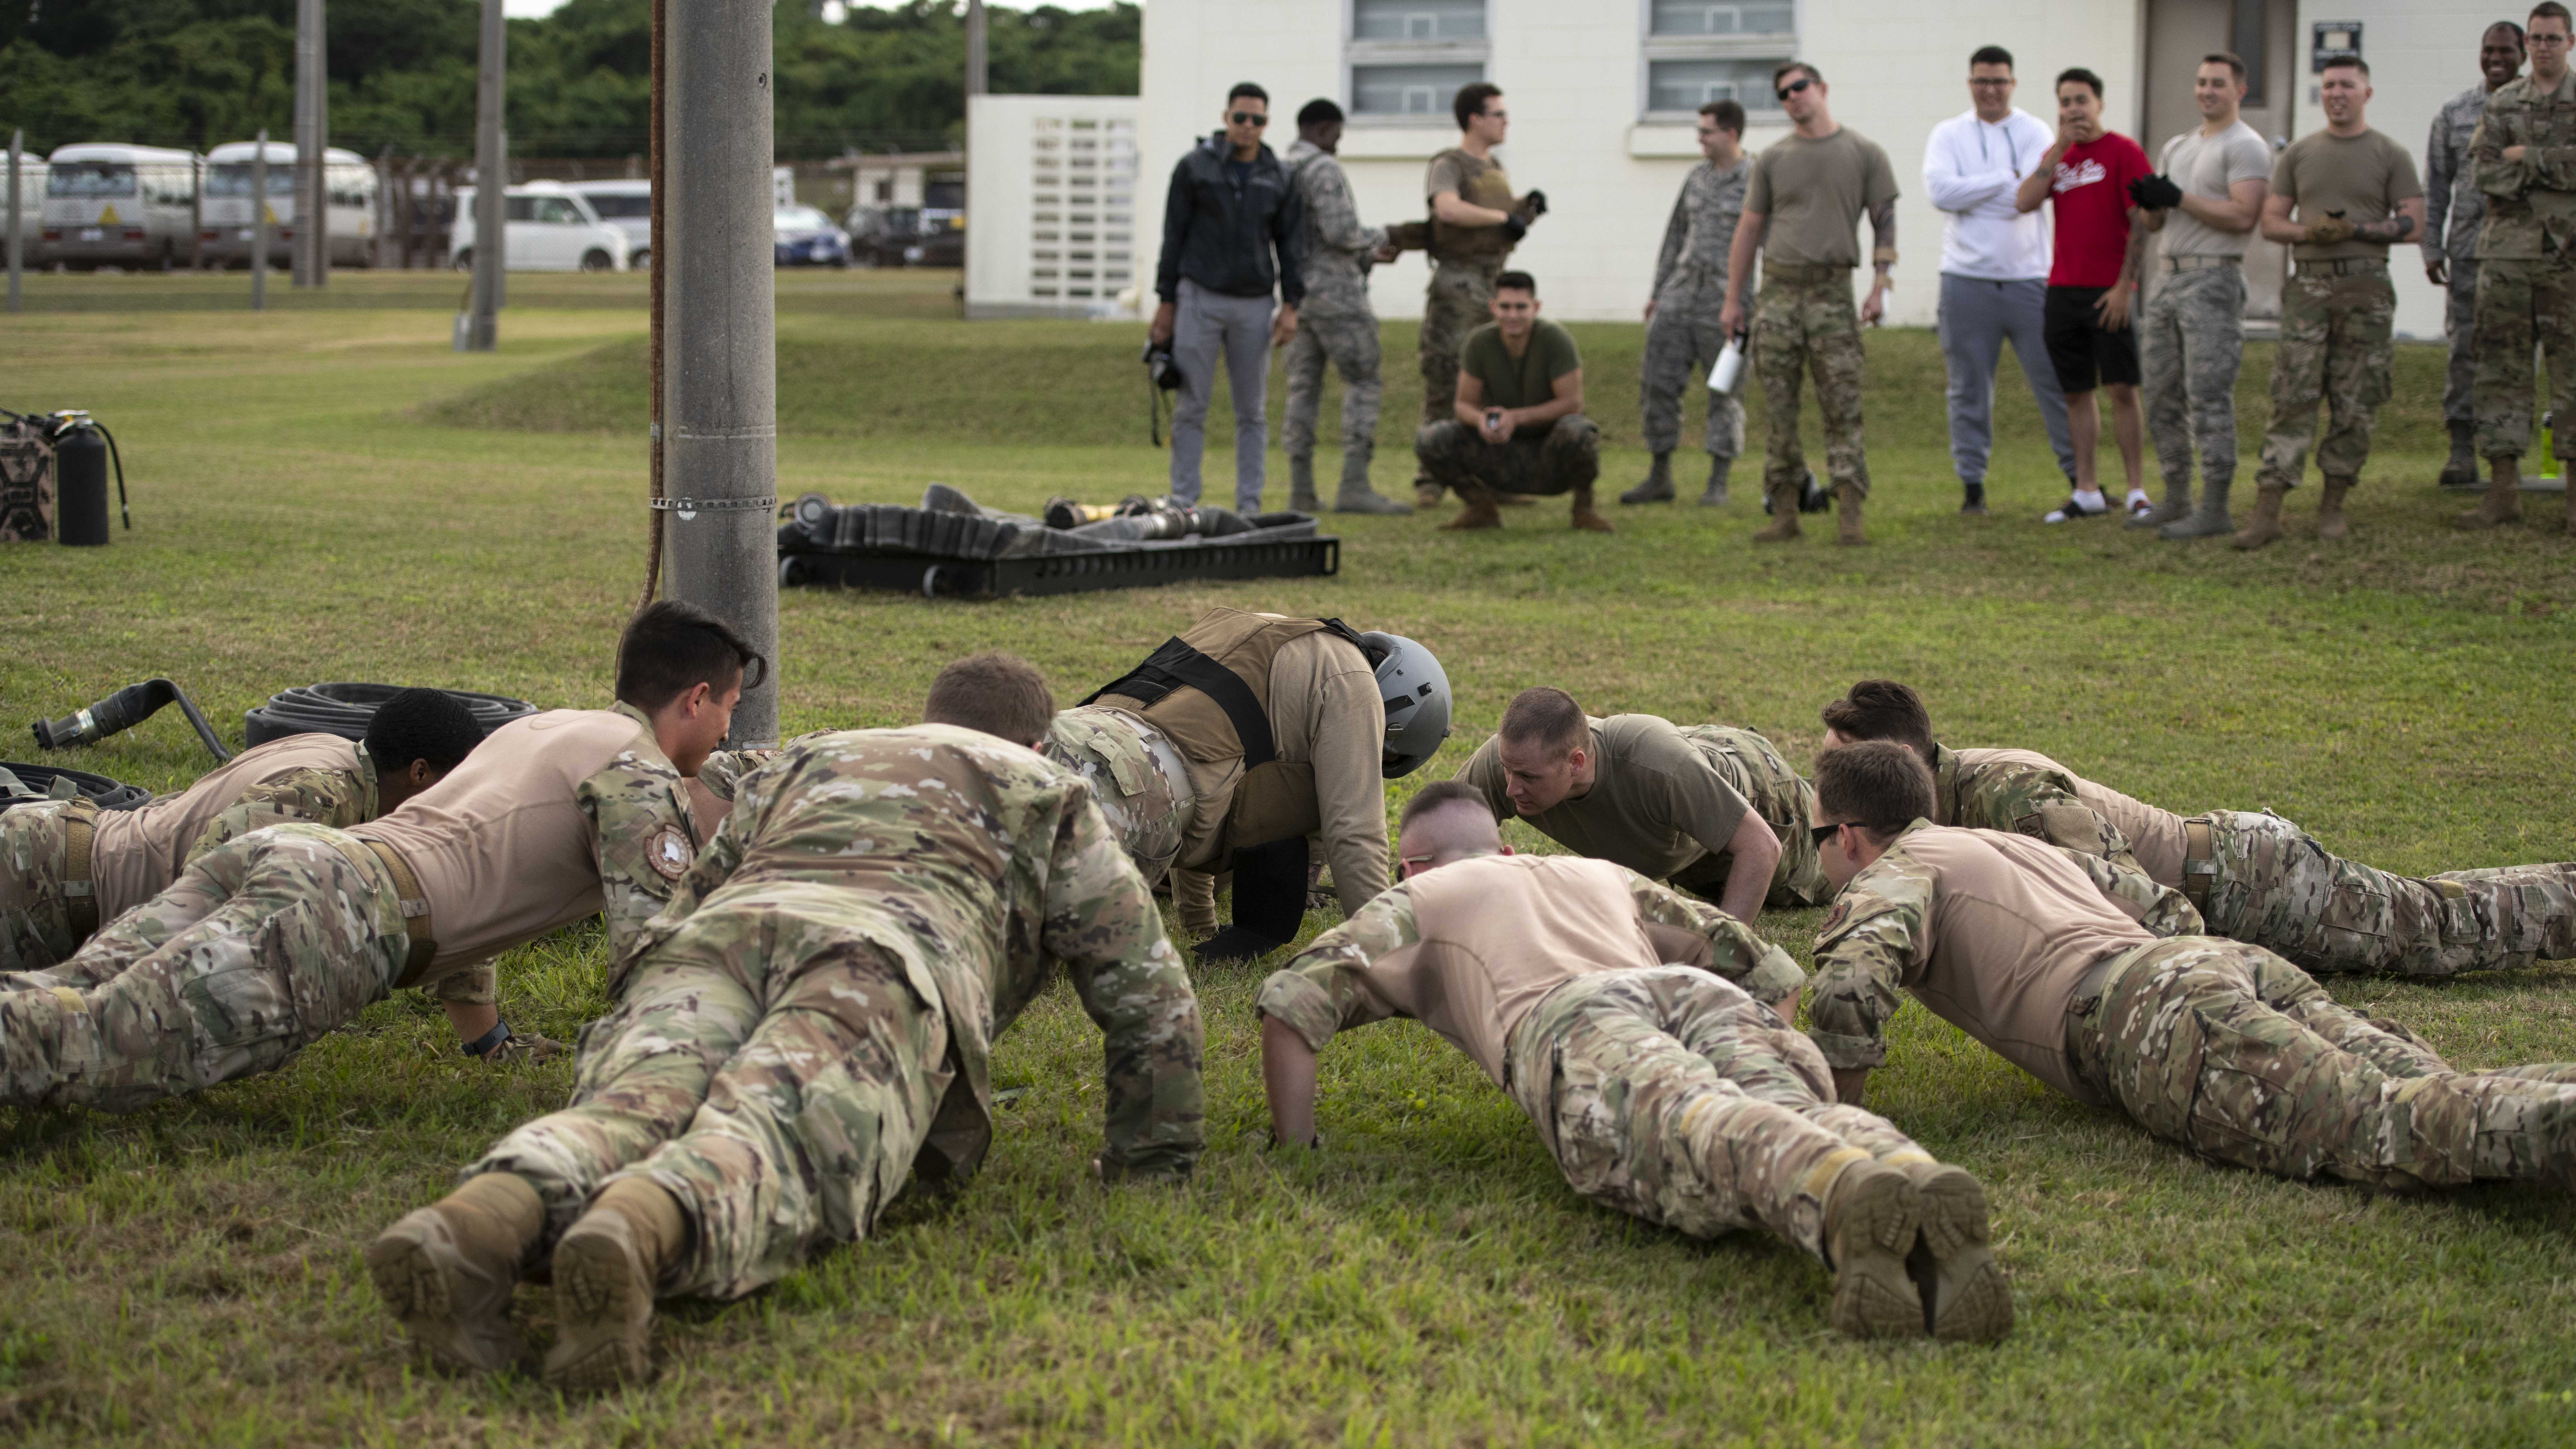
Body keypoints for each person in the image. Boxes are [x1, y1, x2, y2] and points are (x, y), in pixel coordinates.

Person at [368, 654, 1205, 1388]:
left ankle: (487, 1214)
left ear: (927, 720)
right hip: (879, 953)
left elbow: (696, 887)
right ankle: (644, 1222)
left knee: (634, 1102)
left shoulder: (809, 756)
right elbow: (1147, 990)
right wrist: (1150, 1162)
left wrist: (647, 994)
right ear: (1035, 743)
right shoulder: (1047, 787)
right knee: (781, 1131)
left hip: (717, 939)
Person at [1256, 781, 2011, 1342]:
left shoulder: (1426, 896)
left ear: (1409, 866)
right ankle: (1906, 1172)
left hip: (1573, 1016)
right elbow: (1767, 969)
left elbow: (1292, 999)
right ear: (1506, 847)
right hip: (1688, 992)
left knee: (1695, 1121)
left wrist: (1296, 1147)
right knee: (1789, 1106)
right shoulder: (1593, 871)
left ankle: (1842, 1194)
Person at [0, 601, 753, 1107]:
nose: (727, 730)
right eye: (729, 707)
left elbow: (466, 855)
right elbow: (653, 953)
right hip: (342, 914)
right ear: (695, 697)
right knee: (86, 1042)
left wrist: (488, 1041)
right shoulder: (636, 772)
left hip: (299, 855)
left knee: (68, 987)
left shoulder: (549, 728)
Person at [1804, 741, 2576, 1199]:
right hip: (2218, 963)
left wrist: (1842, 1119)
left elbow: (1848, 983)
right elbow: (2161, 906)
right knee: (2423, 1085)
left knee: (2377, 1125)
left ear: (1846, 835)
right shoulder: (2004, 843)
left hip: (2153, 1009)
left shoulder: (1891, 874)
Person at [1817, 677, 2576, 977]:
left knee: (2435, 932)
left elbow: (2130, 893)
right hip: (2230, 880)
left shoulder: (2014, 792)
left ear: (1901, 757)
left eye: (1838, 768)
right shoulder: (1945, 803)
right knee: (2424, 909)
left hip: (2252, 881)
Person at [0, 686, 480, 979]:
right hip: (41, 887)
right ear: (419, 773)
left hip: (51, 859)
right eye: (454, 784)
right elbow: (202, 894)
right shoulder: (321, 797)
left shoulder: (337, 755)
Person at [1064, 608, 1450, 962]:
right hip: (1123, 795)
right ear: (1394, 719)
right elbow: (1356, 832)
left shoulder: (1265, 633)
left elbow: (1199, 767)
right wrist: (1392, 955)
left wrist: (1199, 922)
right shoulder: (1354, 683)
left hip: (1068, 733)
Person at [2241, 56, 2425, 549]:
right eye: (2328, 87)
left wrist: (2357, 230)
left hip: (2366, 288)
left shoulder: (2391, 154)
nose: (2336, 94)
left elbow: (2414, 223)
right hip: (2310, 287)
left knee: (2356, 399)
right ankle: (2269, 509)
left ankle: (2334, 503)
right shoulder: (2300, 155)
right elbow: (2271, 222)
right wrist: (2311, 232)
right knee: (2293, 394)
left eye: (2347, 85)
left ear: (2367, 92)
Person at [1451, 687, 1828, 925]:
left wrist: (1720, 957)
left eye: (1529, 778)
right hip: (1685, 808)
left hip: (1761, 791)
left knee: (1848, 855)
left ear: (1576, 763)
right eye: (1507, 770)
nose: (1511, 788)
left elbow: (1762, 847)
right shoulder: (1514, 761)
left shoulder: (1657, 767)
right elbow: (1439, 827)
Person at [1719, 62, 1898, 545]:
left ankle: (1850, 515)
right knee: (1779, 408)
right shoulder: (1773, 159)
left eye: (1800, 88)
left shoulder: (1864, 153)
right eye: (1783, 94)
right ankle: (1785, 512)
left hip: (1833, 293)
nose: (1793, 97)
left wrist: (1881, 285)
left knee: (1842, 404)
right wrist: (1734, 300)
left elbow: (1885, 222)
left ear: (1822, 89)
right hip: (1777, 293)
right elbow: (1749, 230)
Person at [1926, 46, 2078, 516]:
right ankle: (1972, 487)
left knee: (2055, 382)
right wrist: (2001, 178)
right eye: (1981, 82)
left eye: (1999, 81)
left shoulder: (2034, 131)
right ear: (1970, 83)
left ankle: (2082, 480)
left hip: (2030, 279)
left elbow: (2028, 197)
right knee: (1969, 389)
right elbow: (1940, 193)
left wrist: (1982, 190)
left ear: (2013, 83)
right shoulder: (1949, 133)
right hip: (1965, 280)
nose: (1990, 90)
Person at [2127, 52, 2273, 539]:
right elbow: (2157, 223)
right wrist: (2150, 203)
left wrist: (2179, 199)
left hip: (2213, 279)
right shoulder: (2178, 146)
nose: (2207, 91)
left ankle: (2215, 507)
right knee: (2163, 392)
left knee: (2208, 395)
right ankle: (2175, 496)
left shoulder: (2246, 146)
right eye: (2201, 82)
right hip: (2168, 277)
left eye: (2218, 84)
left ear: (2239, 91)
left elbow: (2242, 216)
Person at [1149, 82, 1304, 515]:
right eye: (1241, 118)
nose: (1248, 127)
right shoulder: (1195, 168)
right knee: (1191, 404)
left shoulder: (1280, 176)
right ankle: (1183, 500)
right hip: (1199, 295)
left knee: (1252, 410)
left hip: (1255, 302)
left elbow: (1292, 245)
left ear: (1267, 124)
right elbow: (1173, 237)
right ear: (1226, 119)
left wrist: (1292, 305)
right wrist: (1166, 302)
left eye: (1257, 120)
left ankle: (1249, 504)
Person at [2014, 68, 2154, 524]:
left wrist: (2124, 286)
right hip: (2062, 289)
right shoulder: (2060, 157)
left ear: (2100, 104)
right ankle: (2088, 489)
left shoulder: (2125, 152)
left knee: (2122, 389)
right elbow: (2025, 201)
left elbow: (2142, 223)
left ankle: (2136, 489)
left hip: (2108, 289)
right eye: (2066, 102)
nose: (2075, 109)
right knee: (2076, 391)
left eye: (2082, 100)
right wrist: (2058, 147)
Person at [2459, 2, 2576, 533]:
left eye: (2553, 38)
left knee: (2571, 375)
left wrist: (2525, 156)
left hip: (2567, 258)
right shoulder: (2503, 102)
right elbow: (2483, 172)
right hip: (2506, 256)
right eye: (2535, 38)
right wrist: (2556, 167)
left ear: (2570, 43)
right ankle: (2503, 492)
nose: (2543, 47)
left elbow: (2509, 164)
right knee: (2499, 372)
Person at [1816, 679, 2131, 862]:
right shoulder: (1921, 814)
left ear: (1901, 759)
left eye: (1844, 765)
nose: (1828, 782)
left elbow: (2123, 882)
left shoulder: (2012, 795)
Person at [1414, 81, 1548, 508]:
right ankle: (1431, 480)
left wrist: (1525, 209)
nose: (1506, 123)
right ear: (1475, 118)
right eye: (1499, 115)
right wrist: (1503, 215)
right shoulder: (1450, 164)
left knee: (1492, 382)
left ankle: (1492, 479)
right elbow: (1448, 209)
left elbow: (1499, 226)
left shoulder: (1495, 169)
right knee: (1446, 377)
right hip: (1459, 284)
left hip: (1494, 281)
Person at [1280, 98, 1410, 516]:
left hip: (1296, 295)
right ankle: (1354, 485)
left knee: (1303, 388)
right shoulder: (1323, 169)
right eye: (1336, 134)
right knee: (1363, 380)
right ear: (1321, 130)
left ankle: (1301, 489)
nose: (1339, 143)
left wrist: (1367, 256)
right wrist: (1381, 237)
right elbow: (1340, 231)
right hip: (1337, 295)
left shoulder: (1282, 170)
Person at [1624, 99, 1753, 509]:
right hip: (1681, 295)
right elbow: (1675, 235)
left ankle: (1718, 482)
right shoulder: (1696, 177)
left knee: (1725, 391)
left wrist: (1749, 303)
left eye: (1706, 131)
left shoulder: (1758, 179)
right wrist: (1657, 292)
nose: (1699, 139)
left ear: (1730, 134)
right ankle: (1660, 475)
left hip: (1729, 301)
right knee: (1658, 382)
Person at [1414, 271, 1608, 531]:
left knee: (1579, 432)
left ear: (1536, 308)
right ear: (1493, 307)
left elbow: (1573, 404)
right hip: (1498, 450)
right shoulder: (1479, 343)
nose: (1513, 315)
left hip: (1548, 454)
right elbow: (1463, 406)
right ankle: (1479, 508)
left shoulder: (1556, 340)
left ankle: (1584, 509)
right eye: (1505, 307)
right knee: (1431, 438)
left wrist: (1517, 417)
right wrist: (1481, 420)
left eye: (1521, 307)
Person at [2425, 23, 2530, 489]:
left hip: (2523, 255)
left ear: (2523, 54)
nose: (2496, 59)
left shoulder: (2540, 110)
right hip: (2468, 253)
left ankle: (2507, 455)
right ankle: (2461, 450)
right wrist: (2431, 245)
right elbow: (2437, 187)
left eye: (2506, 51)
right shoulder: (2455, 113)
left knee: (2517, 356)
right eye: (2488, 51)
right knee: (2464, 352)